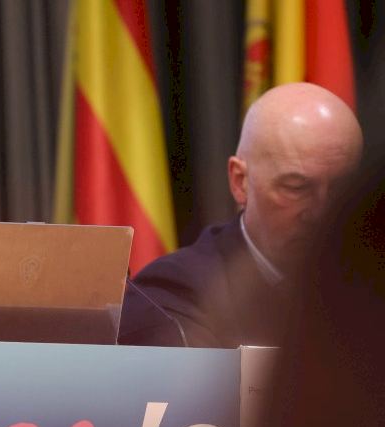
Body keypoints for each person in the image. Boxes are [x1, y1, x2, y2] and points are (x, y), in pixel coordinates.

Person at [119, 82, 362, 348]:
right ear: (240, 181)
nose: (321, 212)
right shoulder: (173, 298)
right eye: (296, 188)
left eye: (343, 188)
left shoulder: (371, 280)